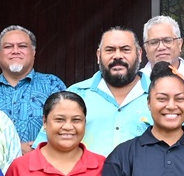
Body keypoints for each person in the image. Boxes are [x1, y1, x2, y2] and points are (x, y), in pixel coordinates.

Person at [51, 26, 153, 155]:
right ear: (99, 55)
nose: (117, 56)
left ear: (139, 54)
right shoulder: (75, 95)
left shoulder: (160, 96)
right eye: (110, 50)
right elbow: (49, 145)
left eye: (125, 49)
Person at [0, 24, 62, 155]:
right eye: (8, 46)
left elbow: (64, 122)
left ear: (33, 52)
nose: (15, 51)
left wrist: (37, 147)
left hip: (42, 163)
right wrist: (15, 148)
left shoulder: (52, 85)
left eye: (22, 46)